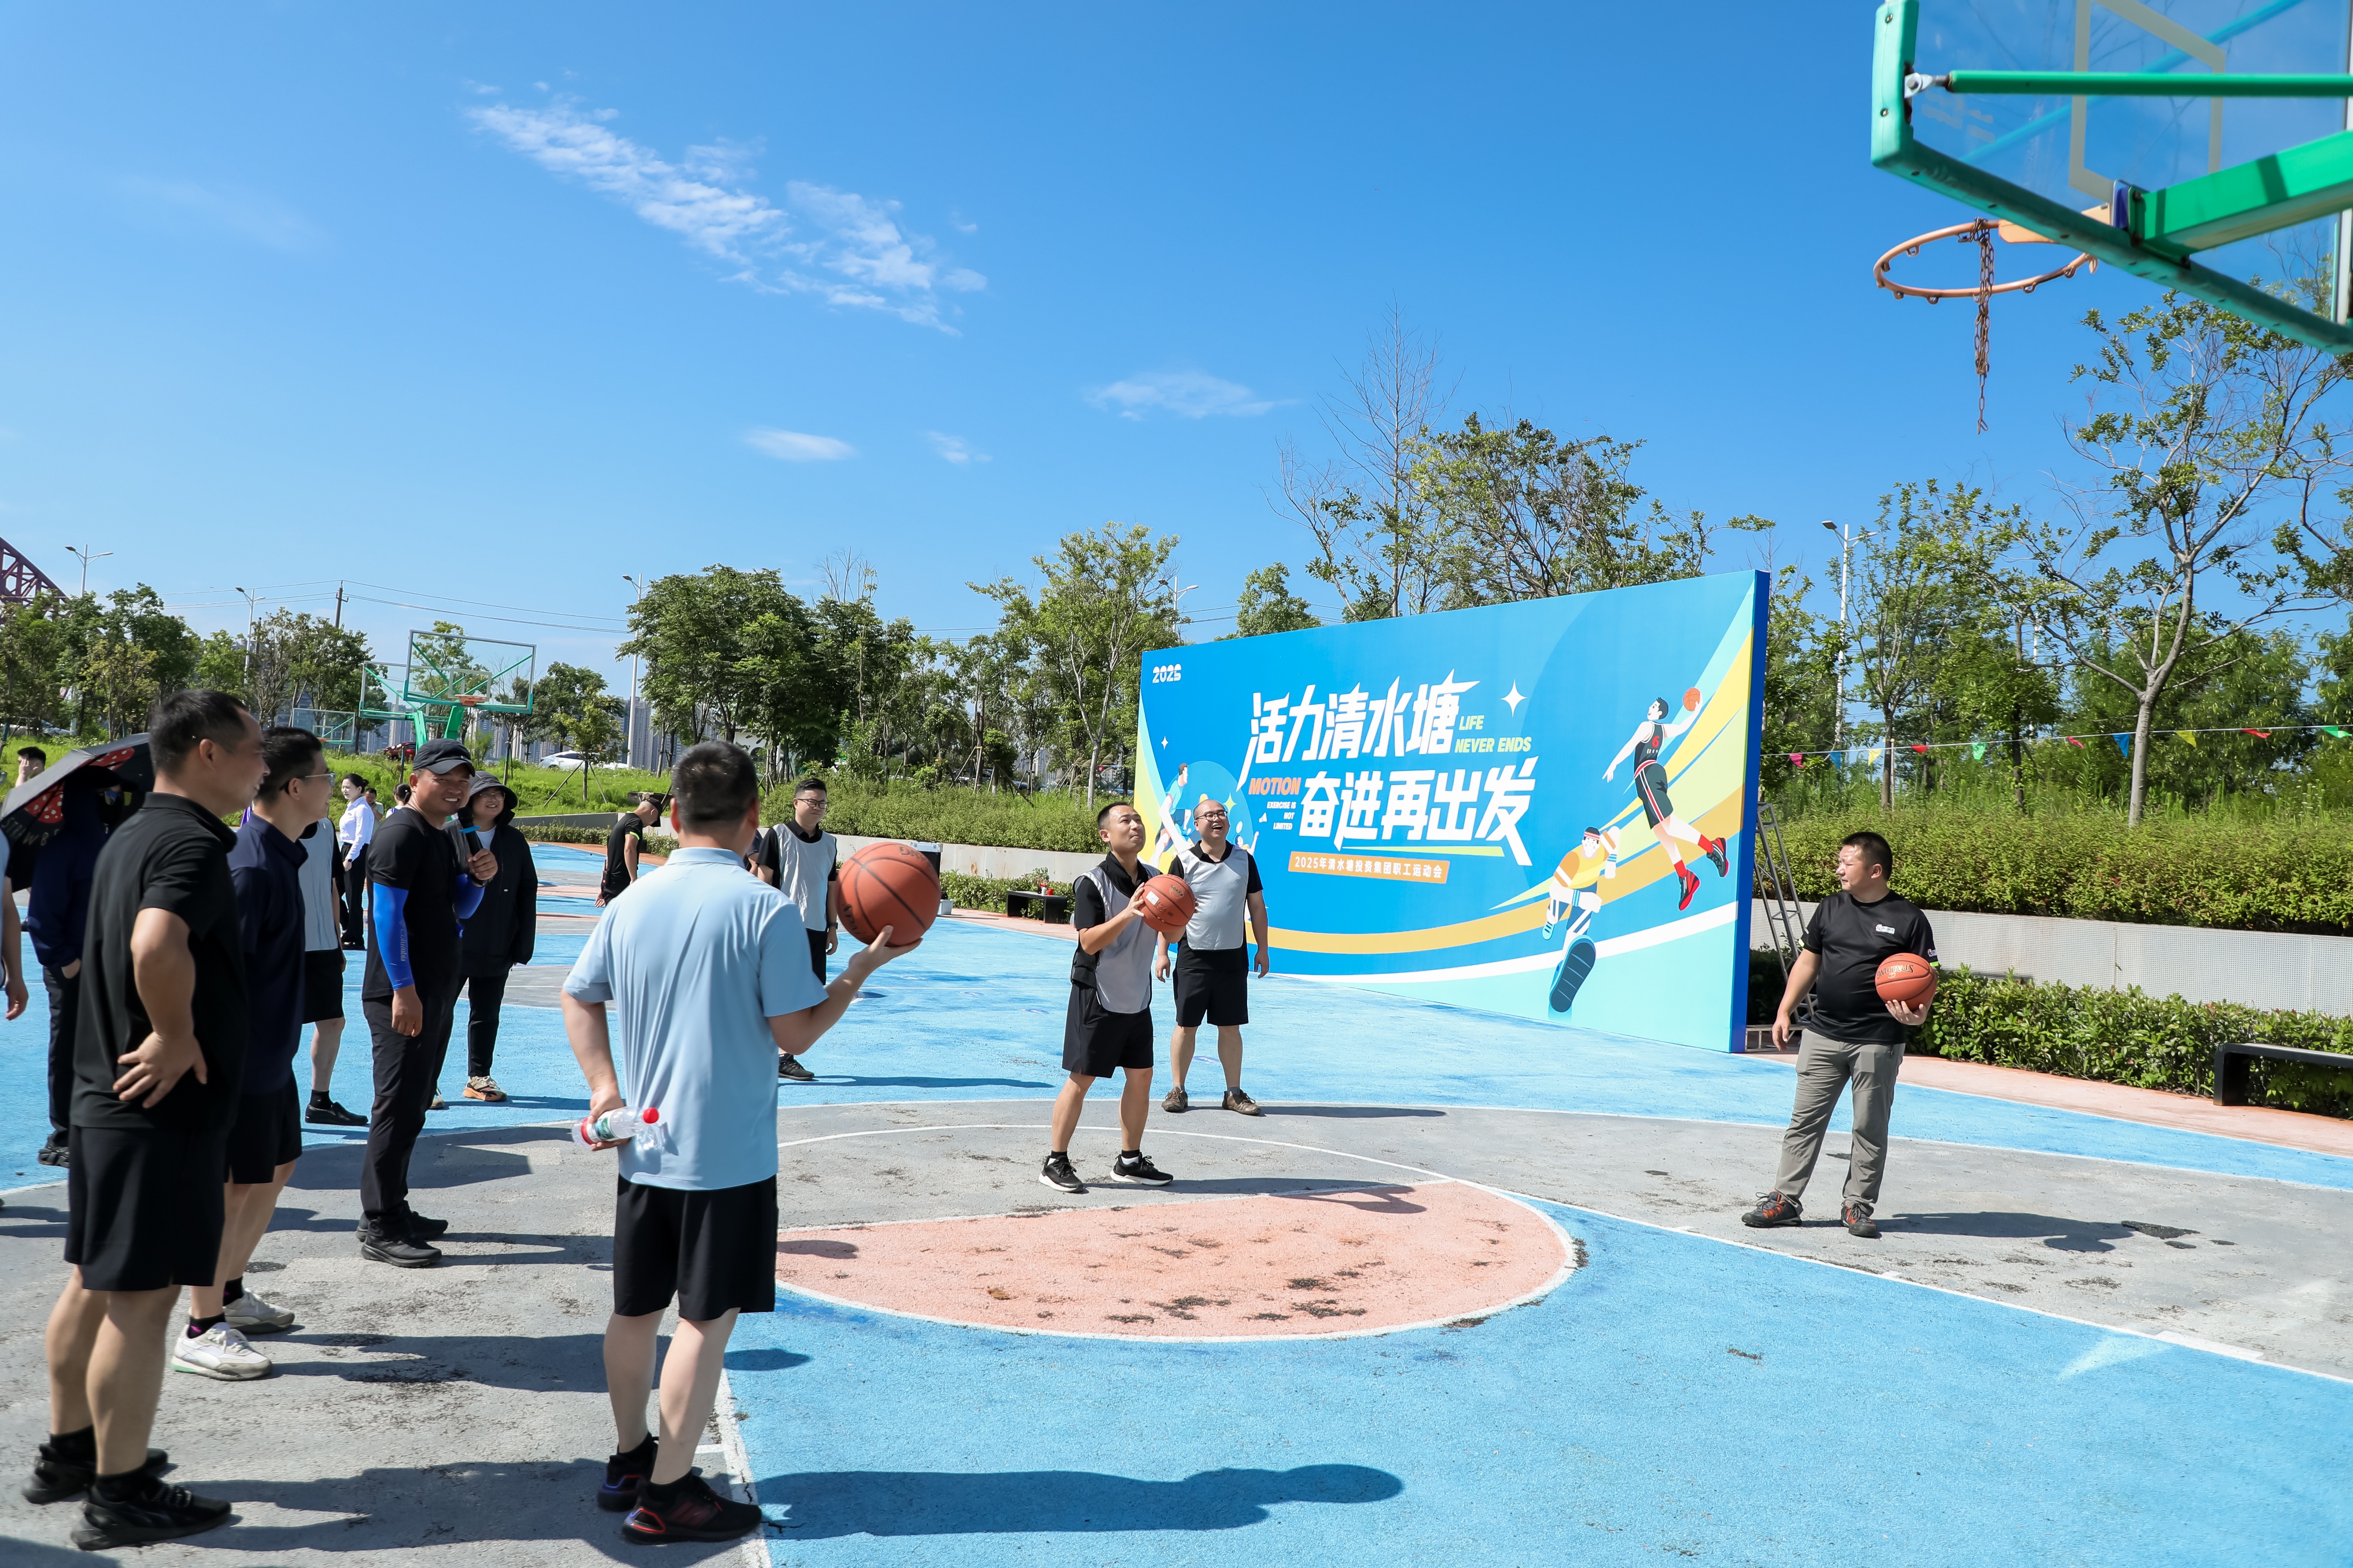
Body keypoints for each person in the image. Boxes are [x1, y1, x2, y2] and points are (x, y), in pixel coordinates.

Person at [560, 741, 912, 1544]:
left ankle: (629, 1460)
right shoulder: (766, 909)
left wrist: (605, 1089)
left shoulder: (633, 901)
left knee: (634, 1309)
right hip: (727, 1155)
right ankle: (669, 1493)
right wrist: (857, 972)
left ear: (672, 815)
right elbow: (798, 1033)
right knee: (705, 1320)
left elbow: (579, 997)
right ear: (756, 816)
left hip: (643, 1145)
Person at [36, 689, 261, 1548]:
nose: (262, 767)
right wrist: (174, 1032)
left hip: (103, 1098)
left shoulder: (129, 830)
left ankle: (71, 1450)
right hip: (157, 1109)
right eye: (254, 750)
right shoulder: (192, 843)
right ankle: (119, 1491)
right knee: (143, 1300)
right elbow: (155, 943)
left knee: (94, 1280)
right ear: (208, 752)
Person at [171, 727, 327, 1380]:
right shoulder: (251, 865)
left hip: (268, 1055)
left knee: (274, 1167)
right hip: (236, 1059)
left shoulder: (282, 855)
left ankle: (230, 1290)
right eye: (324, 777)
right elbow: (206, 972)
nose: (332, 788)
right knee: (232, 1186)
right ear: (294, 787)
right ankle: (202, 1325)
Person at [1742, 830, 1935, 1240]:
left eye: (1847, 862)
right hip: (1823, 1034)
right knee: (1804, 1122)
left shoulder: (1909, 919)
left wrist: (1918, 1016)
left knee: (1869, 1126)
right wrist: (1784, 1009)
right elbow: (1808, 962)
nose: (1839, 869)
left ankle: (1858, 1204)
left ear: (1875, 870)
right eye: (1840, 862)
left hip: (1879, 1039)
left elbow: (1925, 978)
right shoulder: (1830, 907)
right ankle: (1785, 1200)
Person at [357, 739, 498, 1267]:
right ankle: (381, 1223)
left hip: (434, 989)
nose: (457, 787)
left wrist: (478, 879)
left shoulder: (442, 835)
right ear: (415, 780)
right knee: (396, 1107)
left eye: (464, 779)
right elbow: (385, 916)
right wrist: (404, 990)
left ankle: (392, 1206)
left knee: (414, 1105)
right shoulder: (401, 833)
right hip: (404, 994)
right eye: (444, 778)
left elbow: (460, 910)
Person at [1041, 801, 1173, 1195]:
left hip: (1137, 996)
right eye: (1125, 821)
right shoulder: (1092, 882)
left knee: (1142, 1076)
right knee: (1082, 1078)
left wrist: (1178, 919)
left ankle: (1129, 1161)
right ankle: (1055, 1161)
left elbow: (1170, 933)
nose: (1135, 825)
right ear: (1106, 835)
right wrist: (1129, 914)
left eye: (1138, 820)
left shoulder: (1156, 880)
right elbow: (1088, 941)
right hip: (1096, 993)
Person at [1153, 793, 1269, 1116]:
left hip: (1233, 958)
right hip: (1193, 957)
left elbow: (1257, 906)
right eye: (1210, 815)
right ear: (1196, 824)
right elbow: (1166, 912)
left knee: (1230, 1028)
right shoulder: (1183, 862)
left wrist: (1263, 948)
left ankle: (1233, 1093)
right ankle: (1178, 1089)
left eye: (1222, 814)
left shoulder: (1245, 860)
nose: (1217, 819)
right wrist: (1162, 953)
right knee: (1186, 1026)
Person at [27, 760, 106, 1170]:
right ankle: (63, 1133)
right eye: (104, 795)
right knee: (69, 1048)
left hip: (105, 966)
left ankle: (94, 1125)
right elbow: (41, 917)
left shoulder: (110, 843)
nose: (112, 801)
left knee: (101, 1049)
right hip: (72, 968)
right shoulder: (62, 848)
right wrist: (66, 962)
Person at [1601, 695, 1730, 912]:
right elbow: (1682, 728)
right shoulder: (1662, 730)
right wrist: (1696, 712)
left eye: (1654, 706)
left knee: (1669, 825)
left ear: (1659, 713)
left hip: (1647, 774)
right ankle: (1685, 876)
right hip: (1652, 776)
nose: (1650, 708)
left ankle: (1712, 847)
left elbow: (1631, 745)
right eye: (1651, 705)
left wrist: (1614, 764)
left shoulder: (1647, 726)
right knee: (1662, 832)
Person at [754, 778, 841, 1083]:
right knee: (780, 993)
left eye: (822, 803)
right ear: (796, 803)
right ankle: (781, 1056)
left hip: (816, 929)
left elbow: (831, 888)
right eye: (812, 802)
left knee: (809, 995)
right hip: (783, 927)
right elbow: (763, 881)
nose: (818, 808)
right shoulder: (778, 835)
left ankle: (779, 1054)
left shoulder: (830, 843)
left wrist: (833, 927)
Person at [456, 775, 536, 1103]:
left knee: (487, 1014)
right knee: (438, 1013)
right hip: (454, 942)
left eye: (498, 795)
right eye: (485, 794)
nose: (493, 800)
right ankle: (425, 1081)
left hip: (498, 941)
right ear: (469, 799)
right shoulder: (450, 835)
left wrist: (522, 943)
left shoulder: (514, 840)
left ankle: (479, 1077)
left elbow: (527, 891)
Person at [301, 769, 365, 1129]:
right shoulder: (267, 829)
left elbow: (331, 888)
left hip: (323, 944)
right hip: (283, 947)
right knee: (277, 1027)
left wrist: (337, 941)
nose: (332, 790)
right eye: (325, 781)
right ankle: (264, 1102)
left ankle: (319, 1102)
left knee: (333, 1021)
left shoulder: (326, 829)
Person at [335, 773, 373, 950]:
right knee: (332, 892)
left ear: (359, 789)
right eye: (343, 787)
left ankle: (356, 938)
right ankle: (347, 927)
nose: (344, 790)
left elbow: (360, 837)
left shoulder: (362, 809)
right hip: (345, 849)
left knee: (353, 896)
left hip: (356, 852)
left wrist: (350, 858)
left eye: (348, 787)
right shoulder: (351, 806)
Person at [599, 796, 659, 905]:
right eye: (656, 819)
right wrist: (634, 879)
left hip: (611, 883)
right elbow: (630, 848)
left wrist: (604, 886)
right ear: (653, 812)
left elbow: (609, 856)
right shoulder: (635, 822)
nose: (652, 823)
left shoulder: (624, 820)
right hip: (621, 883)